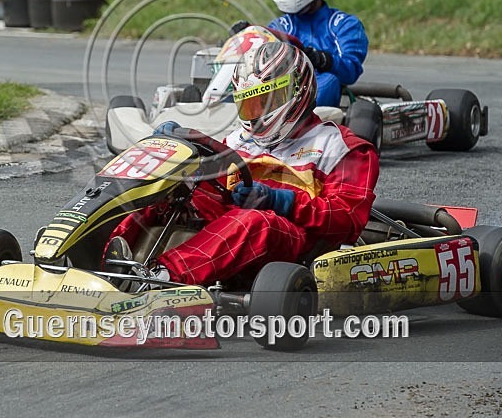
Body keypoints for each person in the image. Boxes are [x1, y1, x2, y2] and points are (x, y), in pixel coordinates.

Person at [103, 41, 379, 287]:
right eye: (251, 104)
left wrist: (282, 201)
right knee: (165, 188)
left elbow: (348, 219)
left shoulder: (341, 146)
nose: (258, 114)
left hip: (296, 242)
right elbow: (215, 185)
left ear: (297, 91)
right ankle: (103, 263)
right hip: (231, 224)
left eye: (267, 101)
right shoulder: (238, 139)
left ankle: (160, 278)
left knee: (254, 221)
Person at [232, 0, 369, 108]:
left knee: (330, 81)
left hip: (318, 97)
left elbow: (350, 72)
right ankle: (213, 109)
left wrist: (323, 60)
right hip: (279, 92)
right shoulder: (280, 26)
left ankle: (294, 122)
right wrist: (245, 39)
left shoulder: (344, 25)